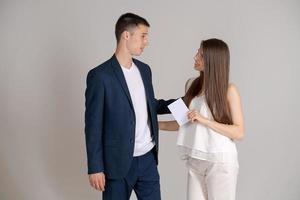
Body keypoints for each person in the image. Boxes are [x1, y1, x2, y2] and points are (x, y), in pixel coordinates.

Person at [84, 13, 175, 200]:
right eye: (143, 35)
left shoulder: (144, 70)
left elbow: (152, 105)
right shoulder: (100, 76)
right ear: (126, 35)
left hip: (148, 159)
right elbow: (93, 126)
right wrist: (95, 167)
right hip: (116, 164)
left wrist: (187, 102)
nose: (146, 41)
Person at [159, 38, 245, 200]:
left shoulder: (229, 90)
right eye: (198, 52)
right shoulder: (191, 84)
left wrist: (204, 120)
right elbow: (181, 121)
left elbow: (239, 132)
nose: (195, 57)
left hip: (220, 161)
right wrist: (153, 124)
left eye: (201, 54)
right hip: (195, 158)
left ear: (213, 60)